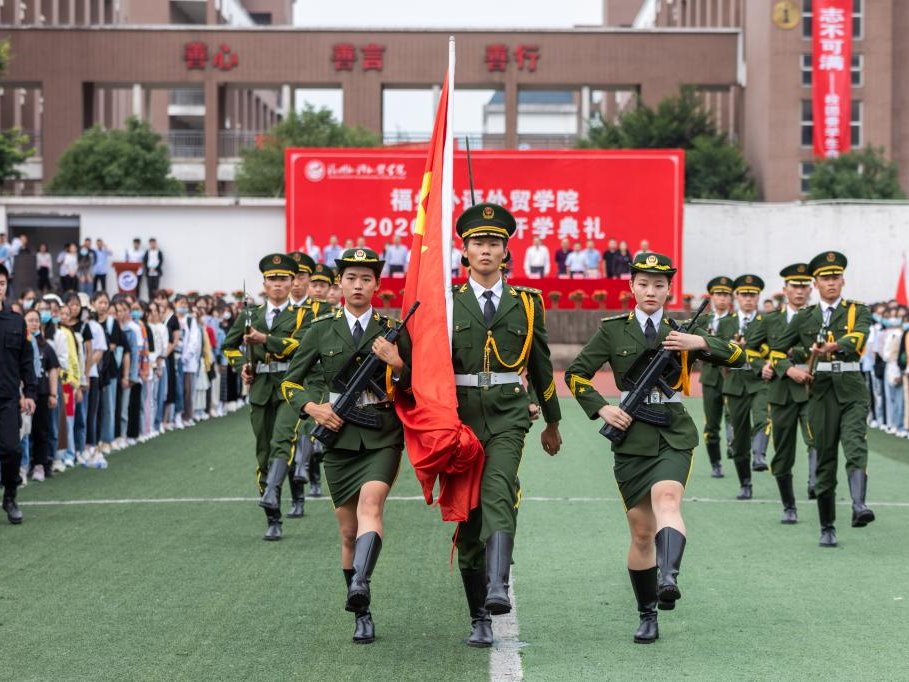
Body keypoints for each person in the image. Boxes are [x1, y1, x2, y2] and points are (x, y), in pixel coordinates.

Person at [564, 252, 743, 644]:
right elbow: (576, 374)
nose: (650, 291)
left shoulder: (681, 332)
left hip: (672, 432)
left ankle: (668, 578)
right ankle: (647, 613)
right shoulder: (613, 330)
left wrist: (700, 341)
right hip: (630, 435)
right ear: (631, 286)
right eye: (643, 284)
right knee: (642, 532)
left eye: (659, 285)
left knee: (667, 498)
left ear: (668, 290)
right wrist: (603, 408)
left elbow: (739, 356)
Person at [279, 247, 412, 644]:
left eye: (366, 279)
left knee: (372, 505)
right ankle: (361, 611)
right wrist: (313, 408)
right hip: (337, 436)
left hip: (382, 434)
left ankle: (361, 583)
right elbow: (291, 381)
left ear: (377, 285)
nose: (357, 285)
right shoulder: (321, 329)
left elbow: (415, 385)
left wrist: (397, 363)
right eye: (351, 278)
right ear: (340, 283)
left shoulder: (393, 329)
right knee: (348, 533)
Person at [450, 203, 562, 647]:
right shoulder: (446, 301)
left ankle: (498, 586)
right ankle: (479, 616)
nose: (485, 250)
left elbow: (541, 365)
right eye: (478, 242)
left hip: (508, 415)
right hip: (459, 419)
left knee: (497, 488)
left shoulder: (527, 303)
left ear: (505, 251)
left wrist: (552, 421)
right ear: (465, 250)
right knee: (468, 519)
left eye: (494, 243)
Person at [770, 251, 873, 547]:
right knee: (825, 458)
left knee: (855, 444)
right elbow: (777, 351)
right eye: (825, 279)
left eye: (836, 277)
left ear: (843, 281)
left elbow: (859, 337)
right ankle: (827, 526)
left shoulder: (857, 311)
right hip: (820, 393)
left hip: (852, 390)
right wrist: (790, 369)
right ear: (816, 284)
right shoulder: (805, 317)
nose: (831, 283)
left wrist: (833, 346)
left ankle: (859, 505)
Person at [222, 254, 300, 540]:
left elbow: (300, 345)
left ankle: (273, 491)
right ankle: (272, 516)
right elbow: (229, 346)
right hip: (260, 388)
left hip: (289, 386)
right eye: (272, 279)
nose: (277, 284)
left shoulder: (302, 314)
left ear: (292, 282)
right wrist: (241, 365)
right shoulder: (250, 315)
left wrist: (265, 339)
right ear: (264, 284)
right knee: (264, 451)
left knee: (283, 440)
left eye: (283, 279)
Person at [762, 263, 817, 522]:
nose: (800, 290)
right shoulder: (770, 320)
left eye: (804, 286)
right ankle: (789, 507)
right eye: (795, 286)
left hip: (811, 390)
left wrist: (796, 358)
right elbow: (749, 349)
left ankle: (815, 482)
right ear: (785, 289)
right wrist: (765, 365)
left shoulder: (819, 317)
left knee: (818, 440)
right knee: (783, 453)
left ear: (810, 289)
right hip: (781, 393)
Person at [718, 274, 770, 500]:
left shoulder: (766, 321)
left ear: (758, 297)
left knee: (762, 418)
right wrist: (730, 350)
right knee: (739, 439)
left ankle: (759, 456)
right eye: (744, 294)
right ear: (737, 296)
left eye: (753, 295)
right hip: (735, 382)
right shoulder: (726, 323)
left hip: (758, 381)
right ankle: (745, 483)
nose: (749, 299)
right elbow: (716, 352)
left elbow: (774, 348)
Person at [0, 264, 37, 524]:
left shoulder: (16, 321)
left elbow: (26, 361)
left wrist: (30, 392)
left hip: (8, 398)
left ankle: (10, 497)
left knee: (12, 450)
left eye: (1, 283)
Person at [698, 276, 734, 478]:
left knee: (733, 416)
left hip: (732, 377)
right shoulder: (703, 321)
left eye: (726, 295)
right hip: (711, 378)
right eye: (718, 294)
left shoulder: (737, 321)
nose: (722, 298)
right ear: (711, 297)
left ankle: (733, 445)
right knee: (711, 424)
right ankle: (716, 463)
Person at [24, 308, 59, 482]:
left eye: (36, 320)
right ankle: (24, 465)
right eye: (30, 320)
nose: (33, 323)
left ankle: (40, 465)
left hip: (42, 393)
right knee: (24, 432)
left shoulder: (46, 346)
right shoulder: (20, 343)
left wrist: (53, 393)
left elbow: (53, 370)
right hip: (23, 394)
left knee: (41, 431)